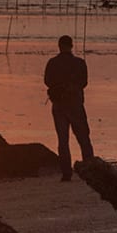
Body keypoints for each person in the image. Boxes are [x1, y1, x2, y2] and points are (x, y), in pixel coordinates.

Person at [43, 34, 93, 180]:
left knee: (62, 140)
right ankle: (91, 169)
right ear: (71, 46)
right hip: (75, 104)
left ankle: (66, 174)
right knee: (83, 137)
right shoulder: (80, 63)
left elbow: (47, 81)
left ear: (59, 46)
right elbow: (84, 82)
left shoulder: (52, 63)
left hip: (58, 106)